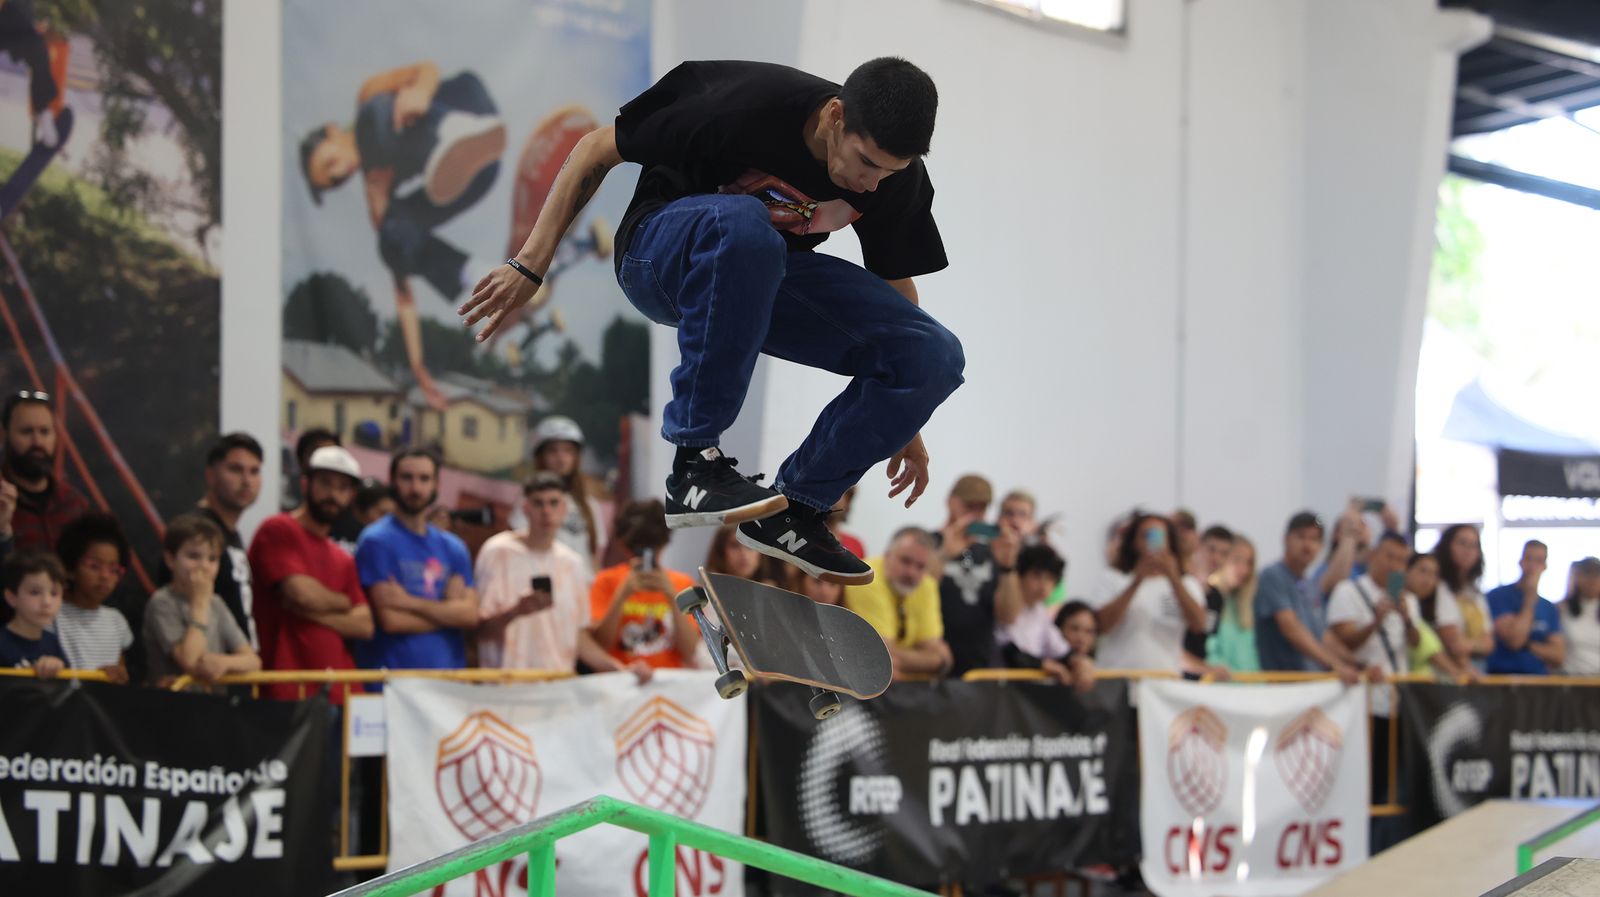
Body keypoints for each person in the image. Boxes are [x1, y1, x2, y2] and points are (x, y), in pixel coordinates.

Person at [462, 57, 965, 586]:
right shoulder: (742, 101)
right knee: (745, 226)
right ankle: (694, 462)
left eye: (889, 171)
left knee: (933, 352)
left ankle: (797, 510)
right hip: (658, 256)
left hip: (760, 281)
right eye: (865, 162)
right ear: (836, 116)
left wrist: (906, 411)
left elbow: (896, 288)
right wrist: (530, 264)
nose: (870, 184)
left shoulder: (893, 181)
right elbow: (595, 147)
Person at [300, 62, 506, 409]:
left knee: (374, 118)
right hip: (476, 177)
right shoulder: (376, 194)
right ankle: (471, 274)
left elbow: (426, 69)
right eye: (333, 182)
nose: (340, 174)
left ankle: (454, 131)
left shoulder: (369, 97)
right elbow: (403, 295)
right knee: (392, 236)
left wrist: (420, 93)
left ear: (333, 132)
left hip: (468, 105)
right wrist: (418, 370)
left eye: (329, 164)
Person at [475, 472, 641, 678]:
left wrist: (620, 670)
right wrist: (515, 612)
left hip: (557, 691)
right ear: (525, 508)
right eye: (538, 503)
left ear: (564, 509)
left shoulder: (572, 564)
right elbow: (478, 632)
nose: (546, 511)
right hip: (506, 689)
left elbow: (578, 637)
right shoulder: (497, 552)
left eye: (554, 503)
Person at [248, 445, 373, 702]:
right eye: (325, 483)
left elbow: (364, 625)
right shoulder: (278, 529)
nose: (333, 495)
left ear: (351, 495)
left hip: (340, 692)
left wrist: (309, 611)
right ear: (306, 484)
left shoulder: (343, 558)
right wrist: (342, 602)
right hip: (287, 691)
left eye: (342, 488)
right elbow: (302, 594)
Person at [354, 450, 478, 672]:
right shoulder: (376, 540)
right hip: (391, 682)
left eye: (424, 479)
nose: (416, 488)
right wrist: (449, 613)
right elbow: (392, 620)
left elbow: (470, 616)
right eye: (407, 478)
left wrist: (409, 602)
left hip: (447, 682)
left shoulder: (453, 547)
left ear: (436, 484)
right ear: (392, 481)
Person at [158, 432, 265, 650]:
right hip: (204, 671)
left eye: (254, 471)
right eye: (236, 469)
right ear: (211, 475)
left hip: (238, 668)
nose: (246, 481)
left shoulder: (233, 534)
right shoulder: (195, 531)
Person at [144, 514, 260, 691]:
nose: (204, 566)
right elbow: (189, 661)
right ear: (170, 559)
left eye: (212, 559)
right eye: (193, 556)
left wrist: (224, 662)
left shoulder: (216, 603)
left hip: (213, 706)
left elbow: (253, 661)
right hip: (171, 707)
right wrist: (200, 602)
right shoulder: (162, 602)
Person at [1254, 511, 1368, 682]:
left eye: (1314, 539)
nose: (1307, 545)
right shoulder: (1272, 576)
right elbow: (1291, 628)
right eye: (1301, 537)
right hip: (1282, 687)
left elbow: (1323, 635)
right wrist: (1335, 665)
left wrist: (1356, 664)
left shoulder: (1310, 585)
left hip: (1311, 686)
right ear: (1286, 538)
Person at [1087, 513, 1208, 673]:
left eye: (1159, 536)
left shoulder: (1187, 583)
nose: (1153, 542)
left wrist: (1174, 578)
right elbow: (1101, 625)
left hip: (1164, 682)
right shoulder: (1113, 578)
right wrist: (1136, 582)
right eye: (1146, 535)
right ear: (1133, 542)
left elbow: (1199, 625)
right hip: (1117, 678)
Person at [589, 500, 699, 671]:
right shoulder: (606, 581)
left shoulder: (682, 584)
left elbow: (691, 652)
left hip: (669, 685)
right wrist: (622, 594)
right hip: (618, 681)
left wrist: (672, 595)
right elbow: (600, 645)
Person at [933, 474, 1022, 675]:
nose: (974, 515)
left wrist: (1008, 566)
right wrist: (945, 554)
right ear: (950, 501)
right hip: (933, 664)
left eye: (980, 508)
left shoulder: (992, 552)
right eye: (968, 506)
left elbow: (1008, 616)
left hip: (979, 667)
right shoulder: (929, 542)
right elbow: (915, 589)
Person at [843, 527, 953, 681]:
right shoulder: (865, 578)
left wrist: (939, 659)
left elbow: (935, 649)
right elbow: (882, 654)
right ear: (887, 556)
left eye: (920, 566)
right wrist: (937, 662)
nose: (911, 573)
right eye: (905, 561)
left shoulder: (927, 584)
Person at [0, 390, 88, 558]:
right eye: (26, 431)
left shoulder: (74, 504)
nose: (37, 442)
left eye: (45, 432)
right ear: (4, 436)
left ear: (55, 437)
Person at [1000, 544, 1093, 691]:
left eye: (1050, 579)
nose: (1044, 585)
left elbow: (1061, 650)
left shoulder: (1039, 612)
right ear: (1020, 575)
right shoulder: (1003, 607)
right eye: (1037, 575)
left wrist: (1080, 662)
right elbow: (1005, 650)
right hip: (1002, 691)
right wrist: (1042, 665)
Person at [52, 513, 133, 682]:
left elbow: (121, 674)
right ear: (70, 568)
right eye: (94, 566)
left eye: (114, 570)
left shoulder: (116, 620)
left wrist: (119, 676)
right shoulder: (51, 615)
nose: (105, 576)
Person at [530, 416, 607, 572]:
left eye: (568, 450)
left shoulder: (588, 505)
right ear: (541, 456)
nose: (561, 458)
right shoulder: (529, 501)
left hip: (581, 588)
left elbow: (593, 557)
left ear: (576, 457)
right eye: (553, 450)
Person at [1485, 540, 1565, 675]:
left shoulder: (1548, 607)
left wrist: (1528, 645)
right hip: (1502, 676)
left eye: (1538, 560)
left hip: (1538, 679)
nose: (1532, 566)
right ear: (1520, 562)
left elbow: (1558, 656)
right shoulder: (1498, 596)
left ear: (1544, 566)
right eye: (1529, 559)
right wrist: (1529, 601)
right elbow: (1515, 641)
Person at [1403, 551, 1476, 682]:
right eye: (1423, 571)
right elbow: (1425, 646)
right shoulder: (1404, 601)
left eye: (1434, 574)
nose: (1428, 579)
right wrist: (1457, 673)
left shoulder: (1415, 604)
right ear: (1406, 570)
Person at [1433, 523, 1492, 670]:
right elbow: (1454, 644)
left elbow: (1489, 644)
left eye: (1473, 545)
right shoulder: (1438, 587)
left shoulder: (1475, 593)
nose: (1468, 551)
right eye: (1462, 543)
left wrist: (1469, 645)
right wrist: (1477, 646)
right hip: (1450, 675)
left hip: (1477, 670)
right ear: (1447, 546)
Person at [0, 550, 65, 676]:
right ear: (12, 597)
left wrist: (59, 666)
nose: (46, 602)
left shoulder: (52, 641)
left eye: (54, 593)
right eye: (34, 592)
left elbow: (69, 687)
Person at [1204, 535, 1261, 674]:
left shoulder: (1243, 606)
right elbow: (1207, 650)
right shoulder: (1207, 599)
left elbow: (1251, 660)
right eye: (1237, 560)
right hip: (1219, 689)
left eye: (1249, 563)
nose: (1244, 570)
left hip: (1249, 689)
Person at [705, 524, 793, 590]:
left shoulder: (773, 591)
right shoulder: (705, 594)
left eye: (750, 545)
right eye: (734, 545)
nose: (743, 554)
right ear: (720, 552)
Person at [1561, 558, 1600, 676]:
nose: (1591, 580)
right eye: (1587, 574)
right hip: (1570, 679)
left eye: (1596, 575)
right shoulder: (1562, 609)